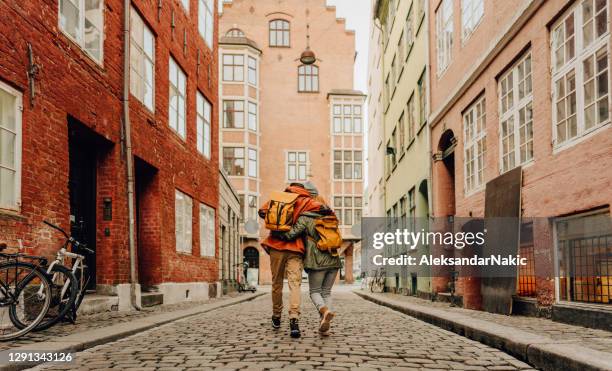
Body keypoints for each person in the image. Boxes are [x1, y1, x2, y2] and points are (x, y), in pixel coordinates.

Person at [258, 183, 323, 338]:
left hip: (276, 246)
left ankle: (276, 316)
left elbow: (262, 211)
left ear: (290, 187)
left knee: (277, 283)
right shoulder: (306, 200)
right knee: (295, 284)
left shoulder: (280, 197)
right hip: (295, 248)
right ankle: (294, 319)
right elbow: (323, 210)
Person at [276, 181, 341, 336]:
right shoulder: (330, 214)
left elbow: (291, 234)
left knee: (315, 292)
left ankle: (324, 311)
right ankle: (324, 323)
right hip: (334, 258)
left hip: (317, 260)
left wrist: (279, 234)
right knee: (326, 292)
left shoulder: (306, 216)